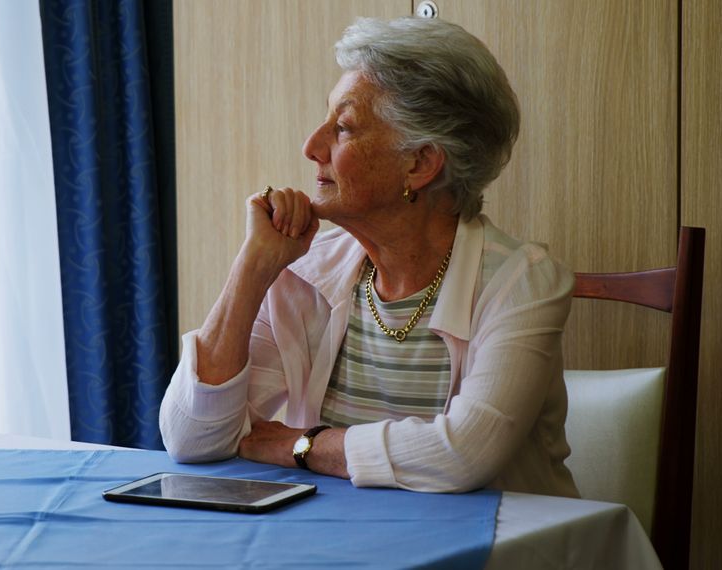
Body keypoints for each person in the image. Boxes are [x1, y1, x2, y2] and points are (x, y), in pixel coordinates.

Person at [159, 16, 579, 497]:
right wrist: (252, 267)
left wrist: (304, 446)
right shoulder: (307, 268)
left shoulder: (521, 282)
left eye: (342, 127)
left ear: (419, 163)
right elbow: (192, 438)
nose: (311, 147)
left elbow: (462, 455)